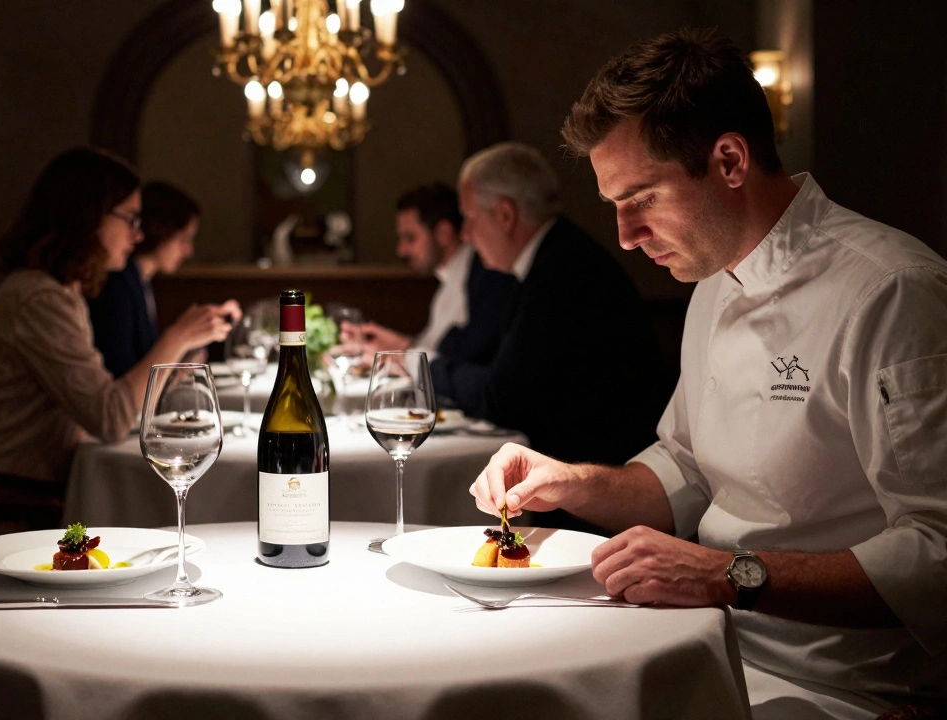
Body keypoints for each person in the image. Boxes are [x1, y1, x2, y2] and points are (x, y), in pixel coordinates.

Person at [472, 28, 947, 718]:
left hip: (845, 689)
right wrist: (573, 482)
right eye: (614, 208)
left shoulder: (891, 291)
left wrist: (729, 575)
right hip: (702, 638)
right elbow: (687, 470)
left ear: (728, 160)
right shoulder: (712, 281)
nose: (626, 237)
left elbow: (938, 556)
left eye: (642, 199)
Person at [0, 148, 238, 510]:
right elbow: (109, 418)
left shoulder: (60, 289)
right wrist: (178, 337)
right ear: (88, 216)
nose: (138, 236)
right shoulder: (41, 298)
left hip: (19, 491)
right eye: (130, 219)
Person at [434, 142, 671, 467]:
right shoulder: (553, 256)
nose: (465, 234)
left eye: (470, 218)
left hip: (611, 476)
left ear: (505, 215)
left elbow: (502, 398)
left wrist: (429, 368)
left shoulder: (561, 271)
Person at [347, 183, 519, 365]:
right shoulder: (448, 278)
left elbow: (464, 360)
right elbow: (432, 347)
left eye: (410, 238)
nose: (401, 250)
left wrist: (402, 350)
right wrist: (388, 343)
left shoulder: (486, 276)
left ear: (443, 233)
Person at [89, 180, 202, 376]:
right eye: (183, 239)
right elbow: (122, 373)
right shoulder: (118, 283)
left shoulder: (140, 280)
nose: (188, 251)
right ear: (161, 228)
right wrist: (181, 338)